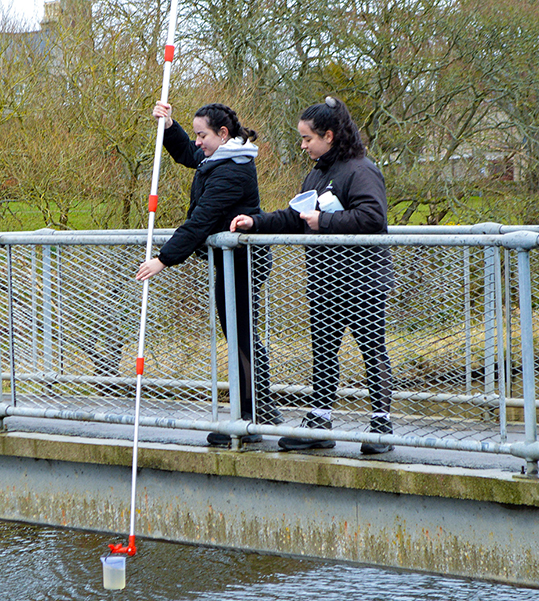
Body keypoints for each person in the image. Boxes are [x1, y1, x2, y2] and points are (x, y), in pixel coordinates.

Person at [230, 95, 394, 455]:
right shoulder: (317, 173)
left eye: (307, 138)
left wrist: (326, 221)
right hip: (324, 278)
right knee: (324, 350)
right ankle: (319, 421)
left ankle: (382, 424)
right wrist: (254, 222)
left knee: (371, 348)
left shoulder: (361, 170)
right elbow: (294, 216)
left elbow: (372, 218)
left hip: (363, 277)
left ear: (329, 136)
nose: (303, 145)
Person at [135, 101, 280, 447]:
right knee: (239, 336)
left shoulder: (233, 169)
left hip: (245, 262)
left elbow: (201, 220)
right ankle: (257, 410)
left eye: (203, 135)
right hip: (229, 262)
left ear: (223, 134)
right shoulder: (218, 157)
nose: (198, 141)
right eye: (197, 134)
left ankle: (250, 417)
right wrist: (170, 126)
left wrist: (163, 260)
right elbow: (187, 153)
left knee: (242, 336)